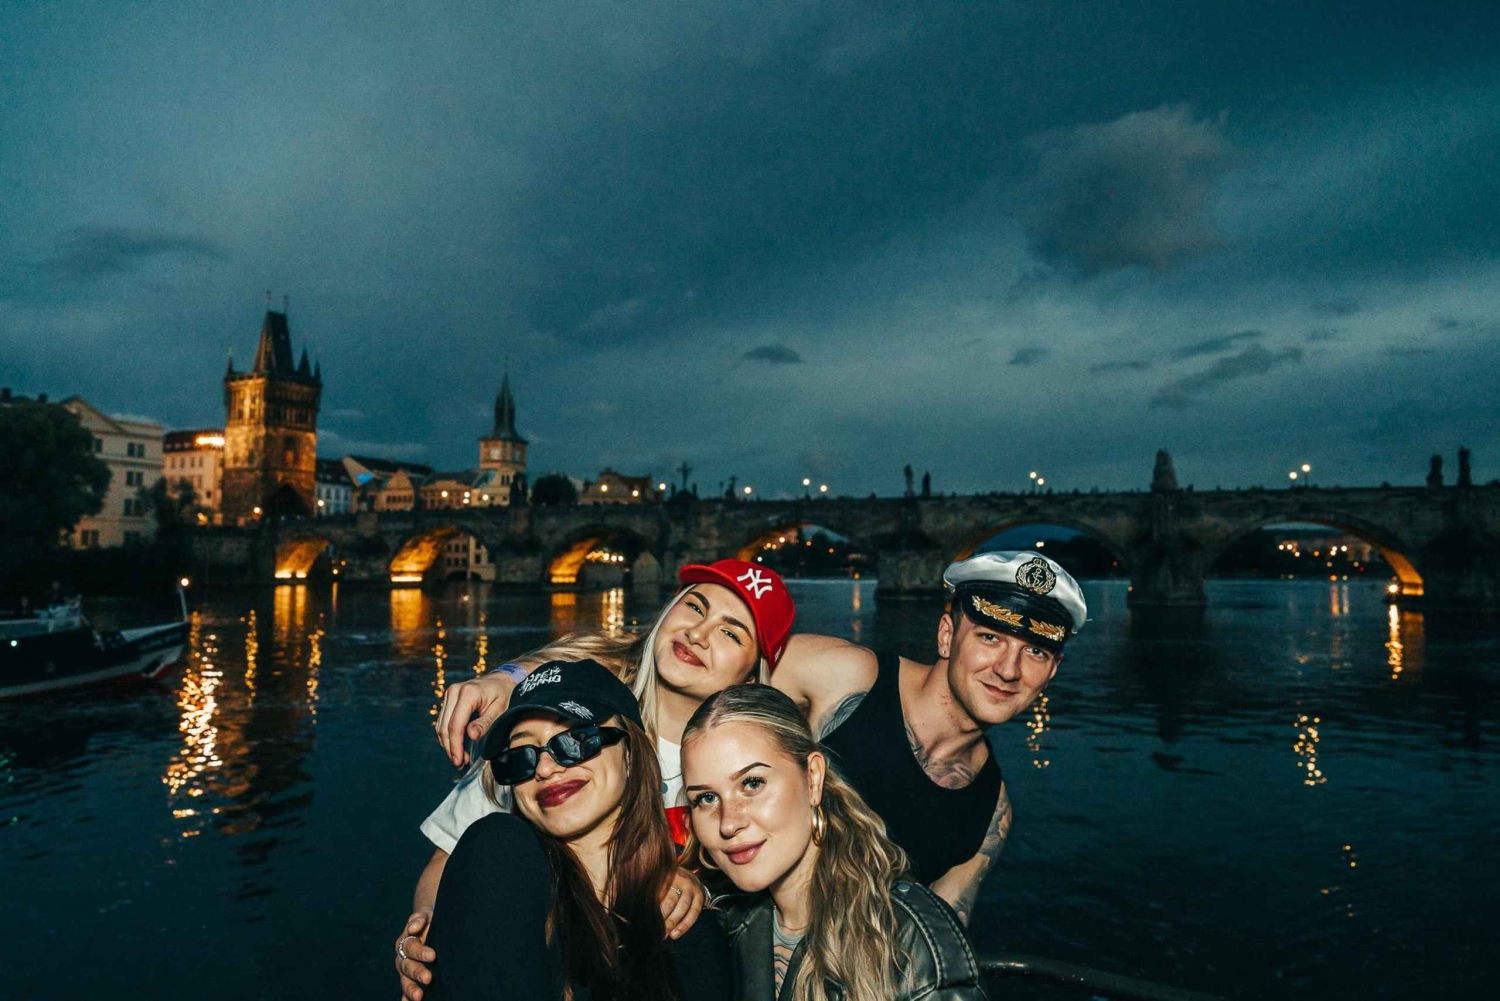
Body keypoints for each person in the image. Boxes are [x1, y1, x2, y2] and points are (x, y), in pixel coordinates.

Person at [437, 550, 1088, 928]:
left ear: (1053, 670)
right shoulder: (844, 676)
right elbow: (655, 654)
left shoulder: (991, 814)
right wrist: (512, 677)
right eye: (990, 637)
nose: (1007, 669)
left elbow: (938, 936)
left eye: (1035, 652)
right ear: (948, 634)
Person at [399, 559, 796, 999]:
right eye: (695, 608)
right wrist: (428, 936)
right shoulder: (553, 712)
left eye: (730, 633)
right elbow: (453, 859)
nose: (699, 634)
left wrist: (680, 882)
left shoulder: (743, 760)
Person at [420, 658, 734, 1001]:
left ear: (631, 753)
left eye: (575, 740)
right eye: (522, 755)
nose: (544, 768)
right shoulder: (498, 855)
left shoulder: (688, 923)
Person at [681, 684, 989, 1001]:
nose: (729, 822)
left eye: (752, 783)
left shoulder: (912, 943)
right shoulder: (724, 920)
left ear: (813, 778)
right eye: (706, 798)